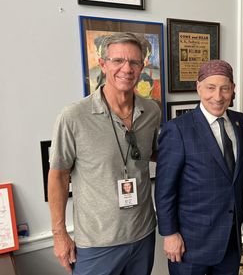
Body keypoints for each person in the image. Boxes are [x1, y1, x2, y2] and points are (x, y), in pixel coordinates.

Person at [48, 32, 161, 275]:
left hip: (143, 235)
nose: (126, 68)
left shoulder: (151, 111)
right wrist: (59, 234)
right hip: (97, 244)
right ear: (103, 64)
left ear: (142, 66)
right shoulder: (74, 116)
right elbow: (58, 175)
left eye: (134, 62)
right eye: (117, 60)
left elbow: (154, 154)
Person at [155, 60, 243, 275]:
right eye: (210, 88)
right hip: (189, 244)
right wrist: (169, 234)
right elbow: (165, 189)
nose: (218, 96)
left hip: (230, 241)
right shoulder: (177, 129)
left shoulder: (239, 122)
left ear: (233, 89)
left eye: (225, 88)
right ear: (198, 87)